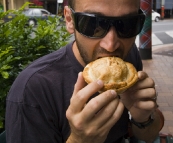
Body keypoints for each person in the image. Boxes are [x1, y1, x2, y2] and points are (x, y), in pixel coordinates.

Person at [5, 0, 164, 143]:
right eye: (92, 24)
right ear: (69, 20)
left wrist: (143, 118)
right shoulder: (32, 91)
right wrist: (78, 140)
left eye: (127, 24)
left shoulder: (129, 57)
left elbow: (148, 136)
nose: (111, 45)